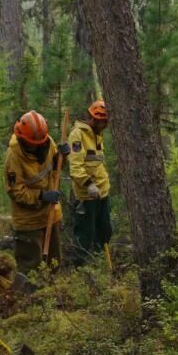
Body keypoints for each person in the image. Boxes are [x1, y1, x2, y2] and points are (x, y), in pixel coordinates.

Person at [4, 111, 66, 275]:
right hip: (28, 222)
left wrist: (62, 156)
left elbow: (55, 167)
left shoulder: (47, 141)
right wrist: (42, 195)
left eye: (39, 143)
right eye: (32, 143)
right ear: (22, 138)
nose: (36, 146)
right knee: (30, 267)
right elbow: (15, 191)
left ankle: (52, 298)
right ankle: (28, 299)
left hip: (51, 215)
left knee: (54, 263)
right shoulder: (13, 156)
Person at [67, 100, 112, 265]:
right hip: (86, 196)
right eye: (103, 122)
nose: (106, 125)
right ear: (95, 119)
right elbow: (76, 167)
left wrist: (102, 185)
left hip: (103, 193)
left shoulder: (98, 135)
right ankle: (81, 272)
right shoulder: (77, 135)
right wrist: (89, 184)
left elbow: (97, 162)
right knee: (85, 235)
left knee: (105, 231)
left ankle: (102, 266)